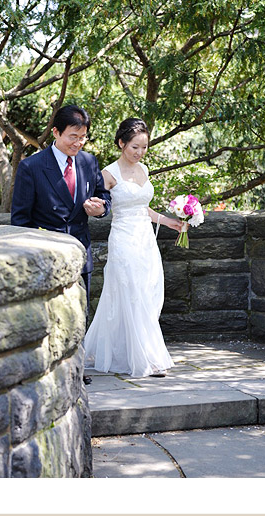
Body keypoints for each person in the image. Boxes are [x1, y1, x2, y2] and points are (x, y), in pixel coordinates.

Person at [11, 105, 112, 385]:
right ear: (55, 132)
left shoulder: (89, 162)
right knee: (51, 316)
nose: (78, 143)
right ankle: (50, 371)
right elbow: (20, 220)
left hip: (82, 251)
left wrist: (100, 209)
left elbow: (104, 198)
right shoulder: (31, 167)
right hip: (47, 255)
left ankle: (77, 368)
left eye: (83, 137)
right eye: (72, 136)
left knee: (80, 311)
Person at [83, 118, 183, 378]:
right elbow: (101, 207)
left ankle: (132, 351)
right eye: (134, 147)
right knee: (132, 292)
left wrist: (169, 222)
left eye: (144, 147)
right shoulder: (107, 174)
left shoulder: (144, 170)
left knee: (149, 292)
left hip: (145, 240)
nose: (139, 153)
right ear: (121, 143)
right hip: (124, 238)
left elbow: (143, 208)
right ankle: (146, 359)